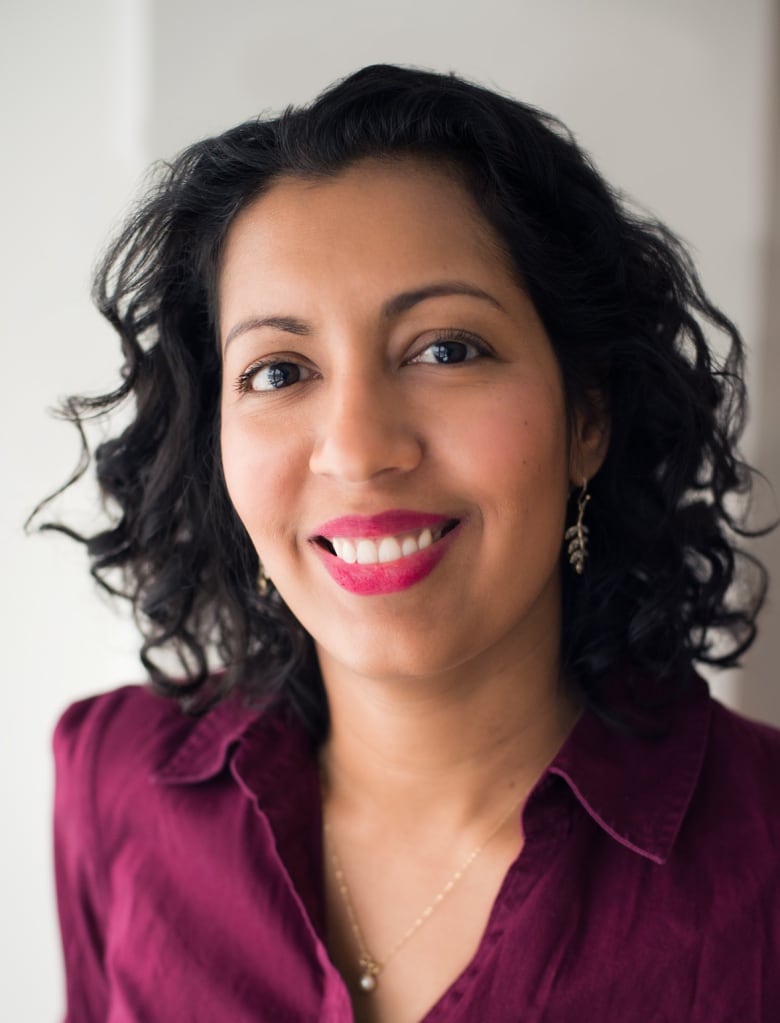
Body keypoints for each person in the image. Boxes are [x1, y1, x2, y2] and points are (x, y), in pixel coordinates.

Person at [47, 64, 779, 1022]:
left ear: (587, 415)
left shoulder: (763, 856)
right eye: (279, 370)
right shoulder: (114, 779)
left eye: (445, 349)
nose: (357, 450)